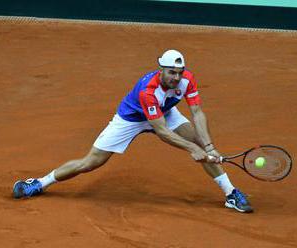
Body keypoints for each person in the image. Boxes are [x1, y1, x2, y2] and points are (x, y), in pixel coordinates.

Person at [13, 49, 253, 213]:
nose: (176, 77)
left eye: (179, 73)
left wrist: (207, 146)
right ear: (161, 70)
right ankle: (40, 183)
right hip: (131, 118)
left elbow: (198, 113)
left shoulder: (187, 80)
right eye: (172, 73)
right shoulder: (147, 90)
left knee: (201, 144)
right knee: (90, 162)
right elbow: (160, 131)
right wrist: (191, 148)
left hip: (166, 112)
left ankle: (231, 193)